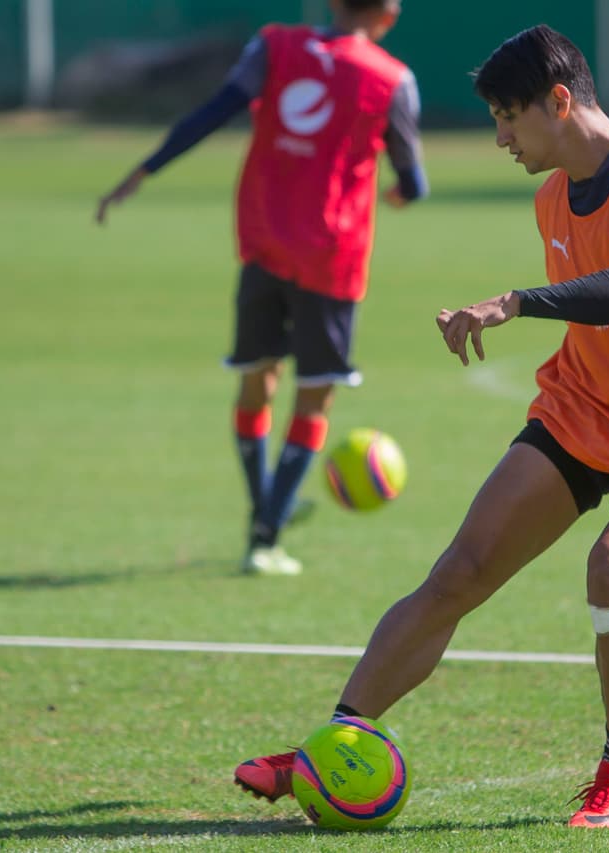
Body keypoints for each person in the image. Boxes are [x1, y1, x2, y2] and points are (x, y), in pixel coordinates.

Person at [233, 24, 609, 828]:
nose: (501, 137)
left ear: (559, 99)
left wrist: (515, 302)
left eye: (508, 118)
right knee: (458, 573)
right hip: (582, 411)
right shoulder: (553, 195)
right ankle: (329, 745)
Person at [96, 0, 428, 577]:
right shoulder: (392, 79)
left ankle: (263, 512)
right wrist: (401, 196)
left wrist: (144, 170)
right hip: (331, 257)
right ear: (389, 17)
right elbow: (414, 181)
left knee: (257, 382)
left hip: (264, 246)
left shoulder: (273, 47)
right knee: (315, 394)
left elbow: (213, 112)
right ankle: (267, 532)